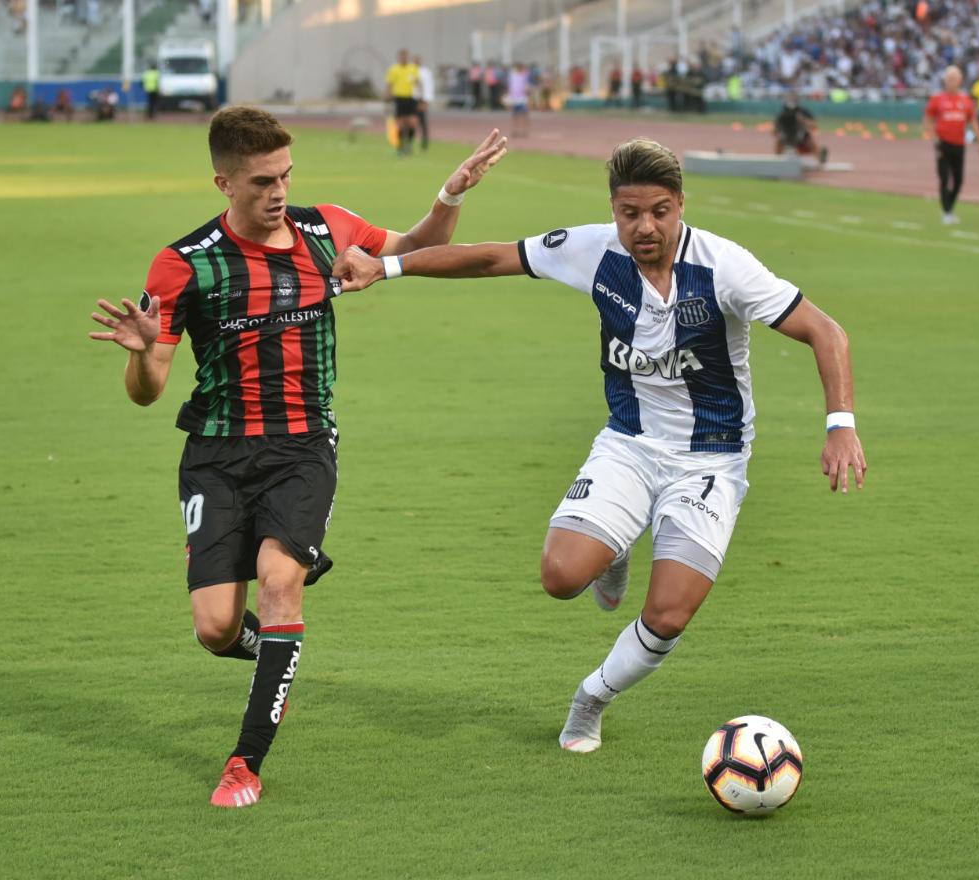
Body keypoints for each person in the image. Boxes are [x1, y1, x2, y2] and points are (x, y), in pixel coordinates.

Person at [330, 136, 865, 755]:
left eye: (660, 211)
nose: (645, 226)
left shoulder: (726, 269)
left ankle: (591, 699)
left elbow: (826, 332)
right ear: (614, 210)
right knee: (559, 578)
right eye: (630, 212)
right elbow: (491, 260)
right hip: (629, 445)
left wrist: (840, 424)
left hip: (711, 459)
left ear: (681, 205)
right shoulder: (592, 250)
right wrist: (388, 266)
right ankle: (614, 545)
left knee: (667, 616)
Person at [87, 107, 507, 808]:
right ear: (223, 182)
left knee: (280, 582)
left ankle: (244, 763)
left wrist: (450, 196)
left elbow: (412, 251)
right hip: (215, 453)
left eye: (285, 175)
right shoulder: (183, 264)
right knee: (216, 629)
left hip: (303, 446)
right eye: (261, 181)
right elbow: (147, 391)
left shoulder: (327, 228)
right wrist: (139, 356)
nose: (278, 191)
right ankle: (276, 663)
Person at [924, 65, 979, 224]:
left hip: (959, 144)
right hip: (943, 144)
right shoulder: (938, 99)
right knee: (943, 178)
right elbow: (928, 118)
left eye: (954, 79)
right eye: (949, 79)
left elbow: (973, 120)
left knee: (958, 180)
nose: (951, 82)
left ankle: (949, 206)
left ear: (960, 81)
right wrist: (933, 136)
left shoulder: (965, 100)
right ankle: (947, 211)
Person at [774, 92, 828, 165]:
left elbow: (814, 125)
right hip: (787, 134)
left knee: (810, 141)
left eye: (793, 99)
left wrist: (803, 120)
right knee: (779, 141)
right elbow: (775, 128)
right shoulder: (783, 112)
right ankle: (777, 161)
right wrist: (778, 131)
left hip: (800, 134)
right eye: (789, 98)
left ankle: (820, 158)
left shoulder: (802, 111)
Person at [386, 49, 420, 156]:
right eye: (402, 56)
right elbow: (390, 84)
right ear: (399, 57)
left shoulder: (413, 68)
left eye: (405, 56)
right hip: (399, 98)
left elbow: (418, 83)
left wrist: (421, 97)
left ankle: (409, 144)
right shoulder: (394, 69)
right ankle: (400, 147)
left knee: (412, 123)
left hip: (411, 98)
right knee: (400, 124)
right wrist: (388, 96)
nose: (404, 58)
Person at [413, 55, 433, 150]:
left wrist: (426, 100)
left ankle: (424, 143)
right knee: (411, 122)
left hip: (421, 100)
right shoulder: (410, 71)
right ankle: (409, 143)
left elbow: (429, 87)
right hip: (411, 99)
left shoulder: (425, 72)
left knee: (423, 123)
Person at [508, 62, 530, 137]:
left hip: (522, 98)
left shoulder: (524, 76)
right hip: (515, 99)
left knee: (523, 115)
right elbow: (511, 87)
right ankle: (516, 130)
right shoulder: (514, 76)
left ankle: (524, 130)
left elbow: (526, 87)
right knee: (516, 116)